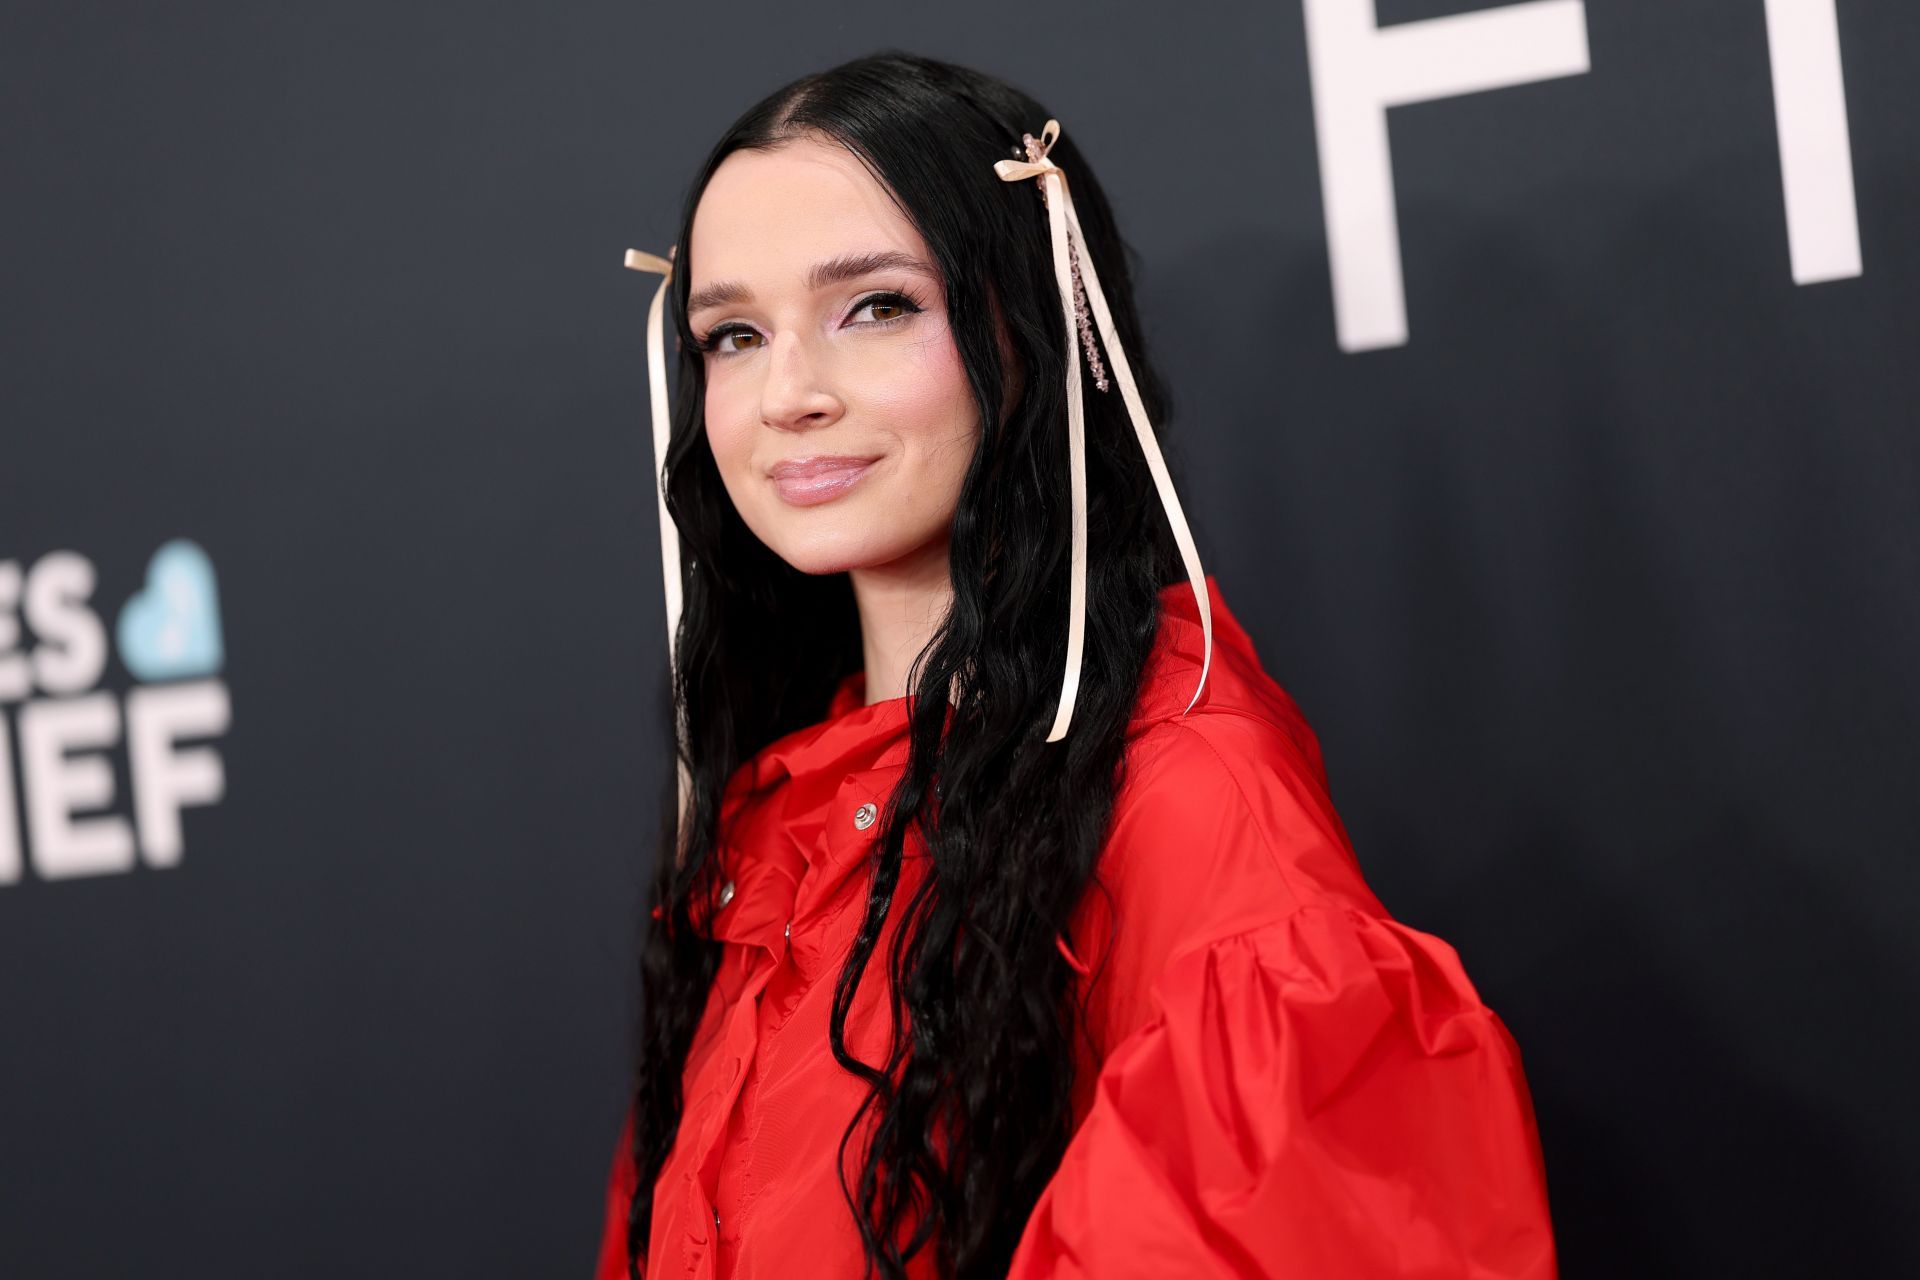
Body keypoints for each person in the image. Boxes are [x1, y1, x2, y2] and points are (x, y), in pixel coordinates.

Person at [598, 49, 1556, 1280]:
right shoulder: (766, 829)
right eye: (733, 333)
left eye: (876, 306)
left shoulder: (1183, 788)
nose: (787, 393)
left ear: (1029, 323)